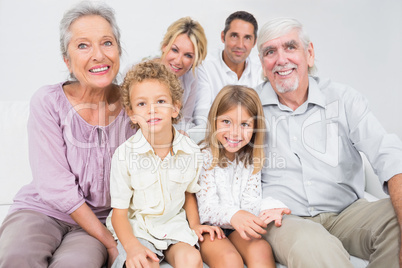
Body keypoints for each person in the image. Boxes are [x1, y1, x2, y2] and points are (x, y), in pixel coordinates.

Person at [256, 17, 402, 267]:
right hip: (286, 220)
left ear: (309, 53)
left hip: (347, 213)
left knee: (396, 219)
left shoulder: (344, 98)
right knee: (313, 245)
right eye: (270, 52)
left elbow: (388, 154)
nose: (281, 59)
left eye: (290, 47)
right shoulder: (249, 106)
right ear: (262, 63)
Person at [0, 2, 135, 267]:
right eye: (83, 45)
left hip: (95, 223)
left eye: (107, 43)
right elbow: (54, 185)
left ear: (118, 50)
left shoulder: (136, 106)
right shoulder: (48, 101)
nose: (98, 55)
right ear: (67, 60)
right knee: (17, 257)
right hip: (41, 211)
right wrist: (110, 242)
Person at [106, 61, 223, 268]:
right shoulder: (124, 156)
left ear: (175, 108)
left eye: (160, 101)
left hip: (173, 227)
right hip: (138, 230)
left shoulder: (190, 151)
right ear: (132, 113)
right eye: (142, 104)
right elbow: (119, 215)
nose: (152, 110)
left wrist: (194, 224)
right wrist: (132, 247)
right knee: (144, 264)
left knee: (191, 259)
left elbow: (188, 193)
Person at [196, 85, 290, 268]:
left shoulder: (251, 160)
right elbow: (206, 209)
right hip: (210, 229)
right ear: (214, 121)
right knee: (229, 259)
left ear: (255, 127)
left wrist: (273, 206)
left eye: (244, 124)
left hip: (238, 227)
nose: (234, 132)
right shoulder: (204, 157)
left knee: (261, 249)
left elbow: (251, 204)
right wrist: (234, 215)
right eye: (226, 122)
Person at [193, 11, 263, 127]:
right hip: (216, 138)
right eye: (234, 36)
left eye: (247, 38)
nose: (240, 45)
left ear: (254, 42)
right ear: (223, 37)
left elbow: (262, 116)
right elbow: (201, 117)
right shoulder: (205, 66)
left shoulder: (260, 70)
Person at [158, 17, 208, 131]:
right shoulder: (138, 73)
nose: (178, 61)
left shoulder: (190, 80)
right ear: (164, 46)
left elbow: (185, 122)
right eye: (175, 50)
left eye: (188, 55)